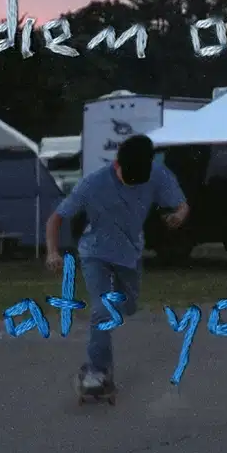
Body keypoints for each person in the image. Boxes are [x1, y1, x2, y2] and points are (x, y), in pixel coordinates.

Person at [45, 133, 189, 400]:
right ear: (117, 164)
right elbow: (56, 218)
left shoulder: (157, 174)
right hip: (95, 254)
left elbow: (181, 205)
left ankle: (102, 348)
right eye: (128, 179)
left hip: (130, 254)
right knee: (102, 308)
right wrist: (52, 252)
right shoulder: (93, 184)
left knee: (128, 307)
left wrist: (178, 215)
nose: (133, 185)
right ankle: (97, 370)